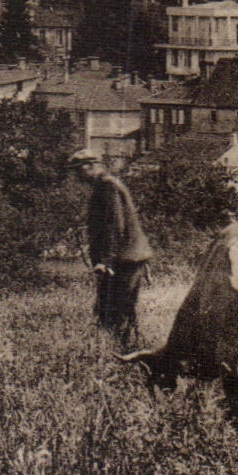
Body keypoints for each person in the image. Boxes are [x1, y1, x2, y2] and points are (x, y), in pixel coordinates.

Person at [67, 147, 152, 350]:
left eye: (79, 170)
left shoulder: (107, 186)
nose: (77, 176)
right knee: (113, 310)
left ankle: (123, 352)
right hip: (125, 258)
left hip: (124, 260)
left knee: (117, 311)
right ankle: (121, 349)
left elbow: (115, 225)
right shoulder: (104, 185)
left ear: (91, 166)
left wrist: (106, 261)